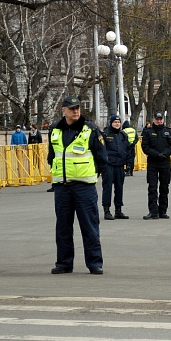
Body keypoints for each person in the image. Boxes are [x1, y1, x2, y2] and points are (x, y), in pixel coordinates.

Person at [47, 95, 108, 274]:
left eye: (77, 108)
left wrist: (92, 174)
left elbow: (102, 157)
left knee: (89, 226)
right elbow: (52, 157)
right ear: (63, 110)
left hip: (84, 187)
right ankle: (64, 263)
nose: (75, 111)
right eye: (72, 108)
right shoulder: (55, 130)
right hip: (62, 187)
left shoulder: (90, 129)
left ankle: (94, 263)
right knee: (63, 227)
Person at [140, 111, 171, 219]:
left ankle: (163, 211)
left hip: (165, 162)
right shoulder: (148, 132)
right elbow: (145, 147)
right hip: (153, 162)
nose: (159, 121)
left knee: (164, 187)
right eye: (157, 119)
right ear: (153, 120)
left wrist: (165, 154)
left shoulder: (168, 131)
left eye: (161, 119)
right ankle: (153, 211)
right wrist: (156, 155)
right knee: (152, 187)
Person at [101, 114, 130, 220]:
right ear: (111, 123)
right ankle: (107, 210)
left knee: (119, 188)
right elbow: (101, 150)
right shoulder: (106, 134)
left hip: (120, 165)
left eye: (118, 122)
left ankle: (118, 210)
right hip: (109, 165)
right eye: (115, 122)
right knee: (107, 188)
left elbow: (128, 149)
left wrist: (129, 163)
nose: (117, 124)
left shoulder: (123, 135)